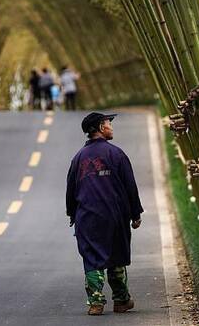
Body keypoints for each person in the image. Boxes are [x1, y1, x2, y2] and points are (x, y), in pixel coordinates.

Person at [66, 112, 144, 316]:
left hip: (87, 217)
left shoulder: (78, 158)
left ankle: (96, 303)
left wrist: (73, 215)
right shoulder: (116, 154)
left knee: (92, 258)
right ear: (101, 127)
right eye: (109, 123)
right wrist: (135, 213)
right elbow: (130, 187)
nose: (111, 126)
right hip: (114, 216)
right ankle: (121, 300)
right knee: (116, 256)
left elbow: (70, 190)